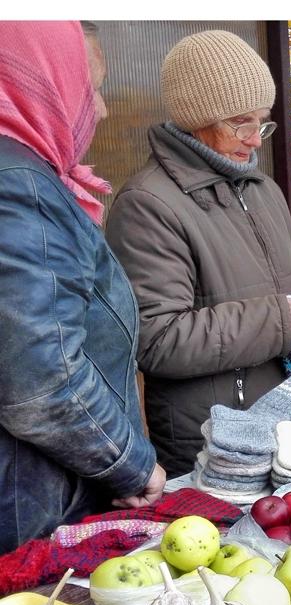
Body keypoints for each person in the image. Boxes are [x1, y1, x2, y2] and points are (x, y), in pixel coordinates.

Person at [106, 31, 291, 478]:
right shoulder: (148, 204)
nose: (256, 139)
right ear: (197, 118)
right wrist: (284, 319)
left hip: (289, 417)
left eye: (263, 121)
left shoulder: (263, 190)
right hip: (214, 442)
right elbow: (157, 340)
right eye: (241, 122)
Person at [0, 22, 165, 552]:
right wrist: (133, 466)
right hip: (34, 514)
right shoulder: (21, 189)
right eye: (90, 86)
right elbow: (44, 383)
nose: (102, 108)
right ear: (45, 83)